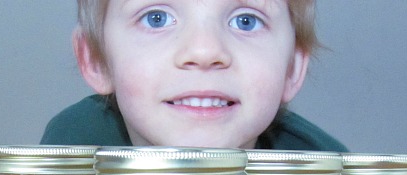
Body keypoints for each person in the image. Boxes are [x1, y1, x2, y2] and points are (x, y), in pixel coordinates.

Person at [41, 0, 346, 151]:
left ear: (291, 69)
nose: (204, 51)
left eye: (246, 21)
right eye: (156, 18)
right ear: (96, 60)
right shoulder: (73, 148)